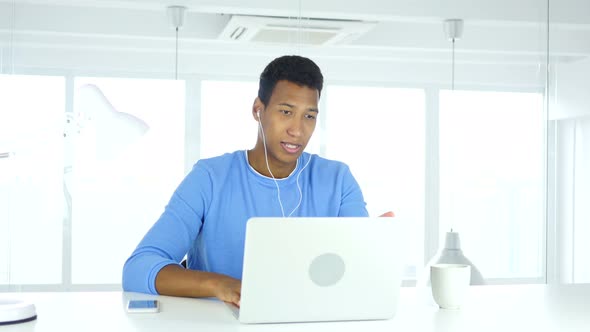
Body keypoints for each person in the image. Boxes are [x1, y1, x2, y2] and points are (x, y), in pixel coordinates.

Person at [122, 55, 393, 307]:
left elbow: (357, 274)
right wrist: (222, 285)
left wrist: (373, 250)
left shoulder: (337, 180)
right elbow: (138, 269)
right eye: (286, 112)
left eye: (309, 116)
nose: (297, 130)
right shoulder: (209, 178)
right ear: (257, 109)